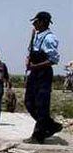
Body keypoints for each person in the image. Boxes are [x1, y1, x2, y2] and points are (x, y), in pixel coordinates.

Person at [24, 11, 62, 144]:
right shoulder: (36, 35)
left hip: (43, 74)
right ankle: (50, 125)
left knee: (41, 105)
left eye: (36, 21)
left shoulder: (49, 38)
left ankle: (38, 135)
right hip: (34, 74)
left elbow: (54, 59)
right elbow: (31, 51)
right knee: (29, 102)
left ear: (42, 22)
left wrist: (36, 66)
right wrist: (28, 60)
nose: (34, 24)